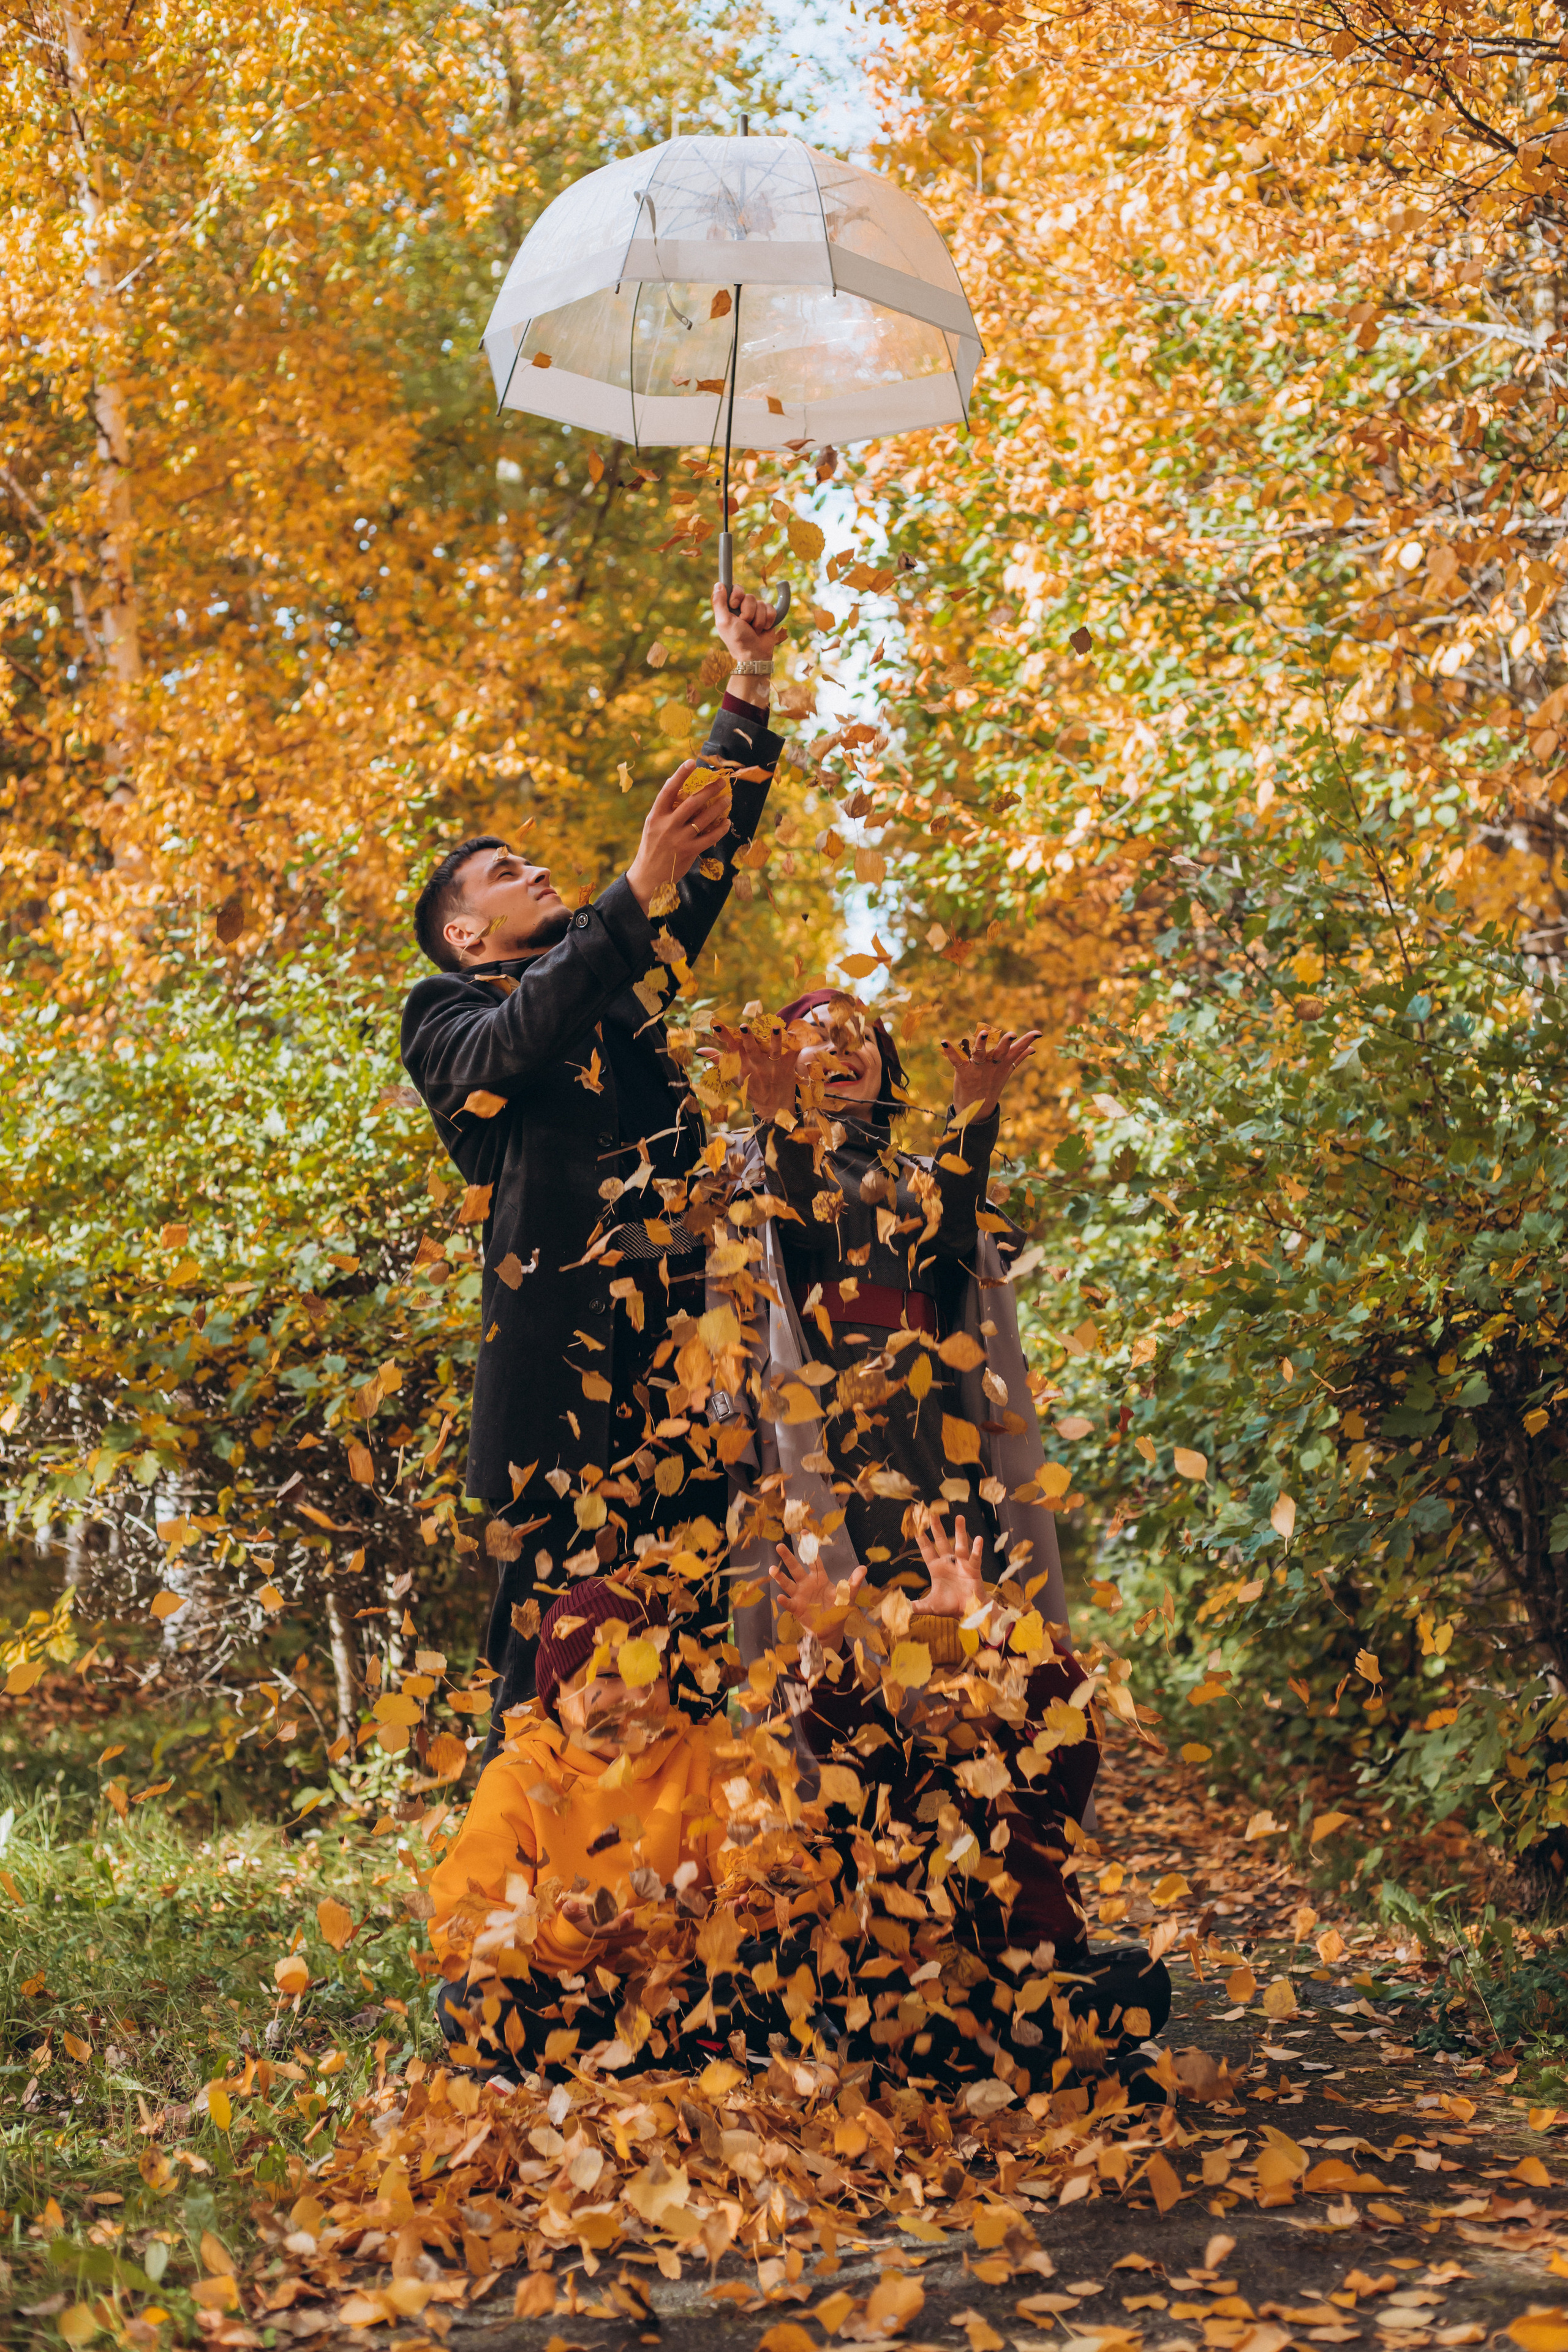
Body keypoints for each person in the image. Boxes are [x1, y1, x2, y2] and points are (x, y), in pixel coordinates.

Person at [402, 587, 784, 1751]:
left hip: (675, 1343)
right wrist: (629, 890)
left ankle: (686, 1900)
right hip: (556, 1378)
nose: (536, 874)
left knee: (687, 1620)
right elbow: (515, 1050)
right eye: (508, 872)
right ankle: (507, 1907)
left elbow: (700, 860)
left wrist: (749, 685)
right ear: (467, 934)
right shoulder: (447, 1014)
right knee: (548, 1639)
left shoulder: (610, 978)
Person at [704, 993, 1073, 1662]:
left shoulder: (919, 1180)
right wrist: (779, 1115)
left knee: (954, 1620)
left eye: (860, 1035)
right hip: (815, 1430)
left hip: (932, 1431)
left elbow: (954, 1232)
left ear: (887, 1063)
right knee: (838, 1620)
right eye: (816, 1035)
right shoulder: (745, 1164)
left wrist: (972, 1112)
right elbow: (802, 1212)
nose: (843, 1045)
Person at [768, 1515, 1172, 2103]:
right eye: (930, 1684)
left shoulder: (1034, 1765)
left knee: (1146, 1980)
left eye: (969, 1676)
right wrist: (824, 1645)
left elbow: (1077, 1716)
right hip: (929, 1996)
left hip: (1037, 1980)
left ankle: (1034, 2069)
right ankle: (1077, 2077)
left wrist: (992, 1619)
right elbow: (836, 1733)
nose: (951, 1697)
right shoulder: (891, 1771)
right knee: (914, 2028)